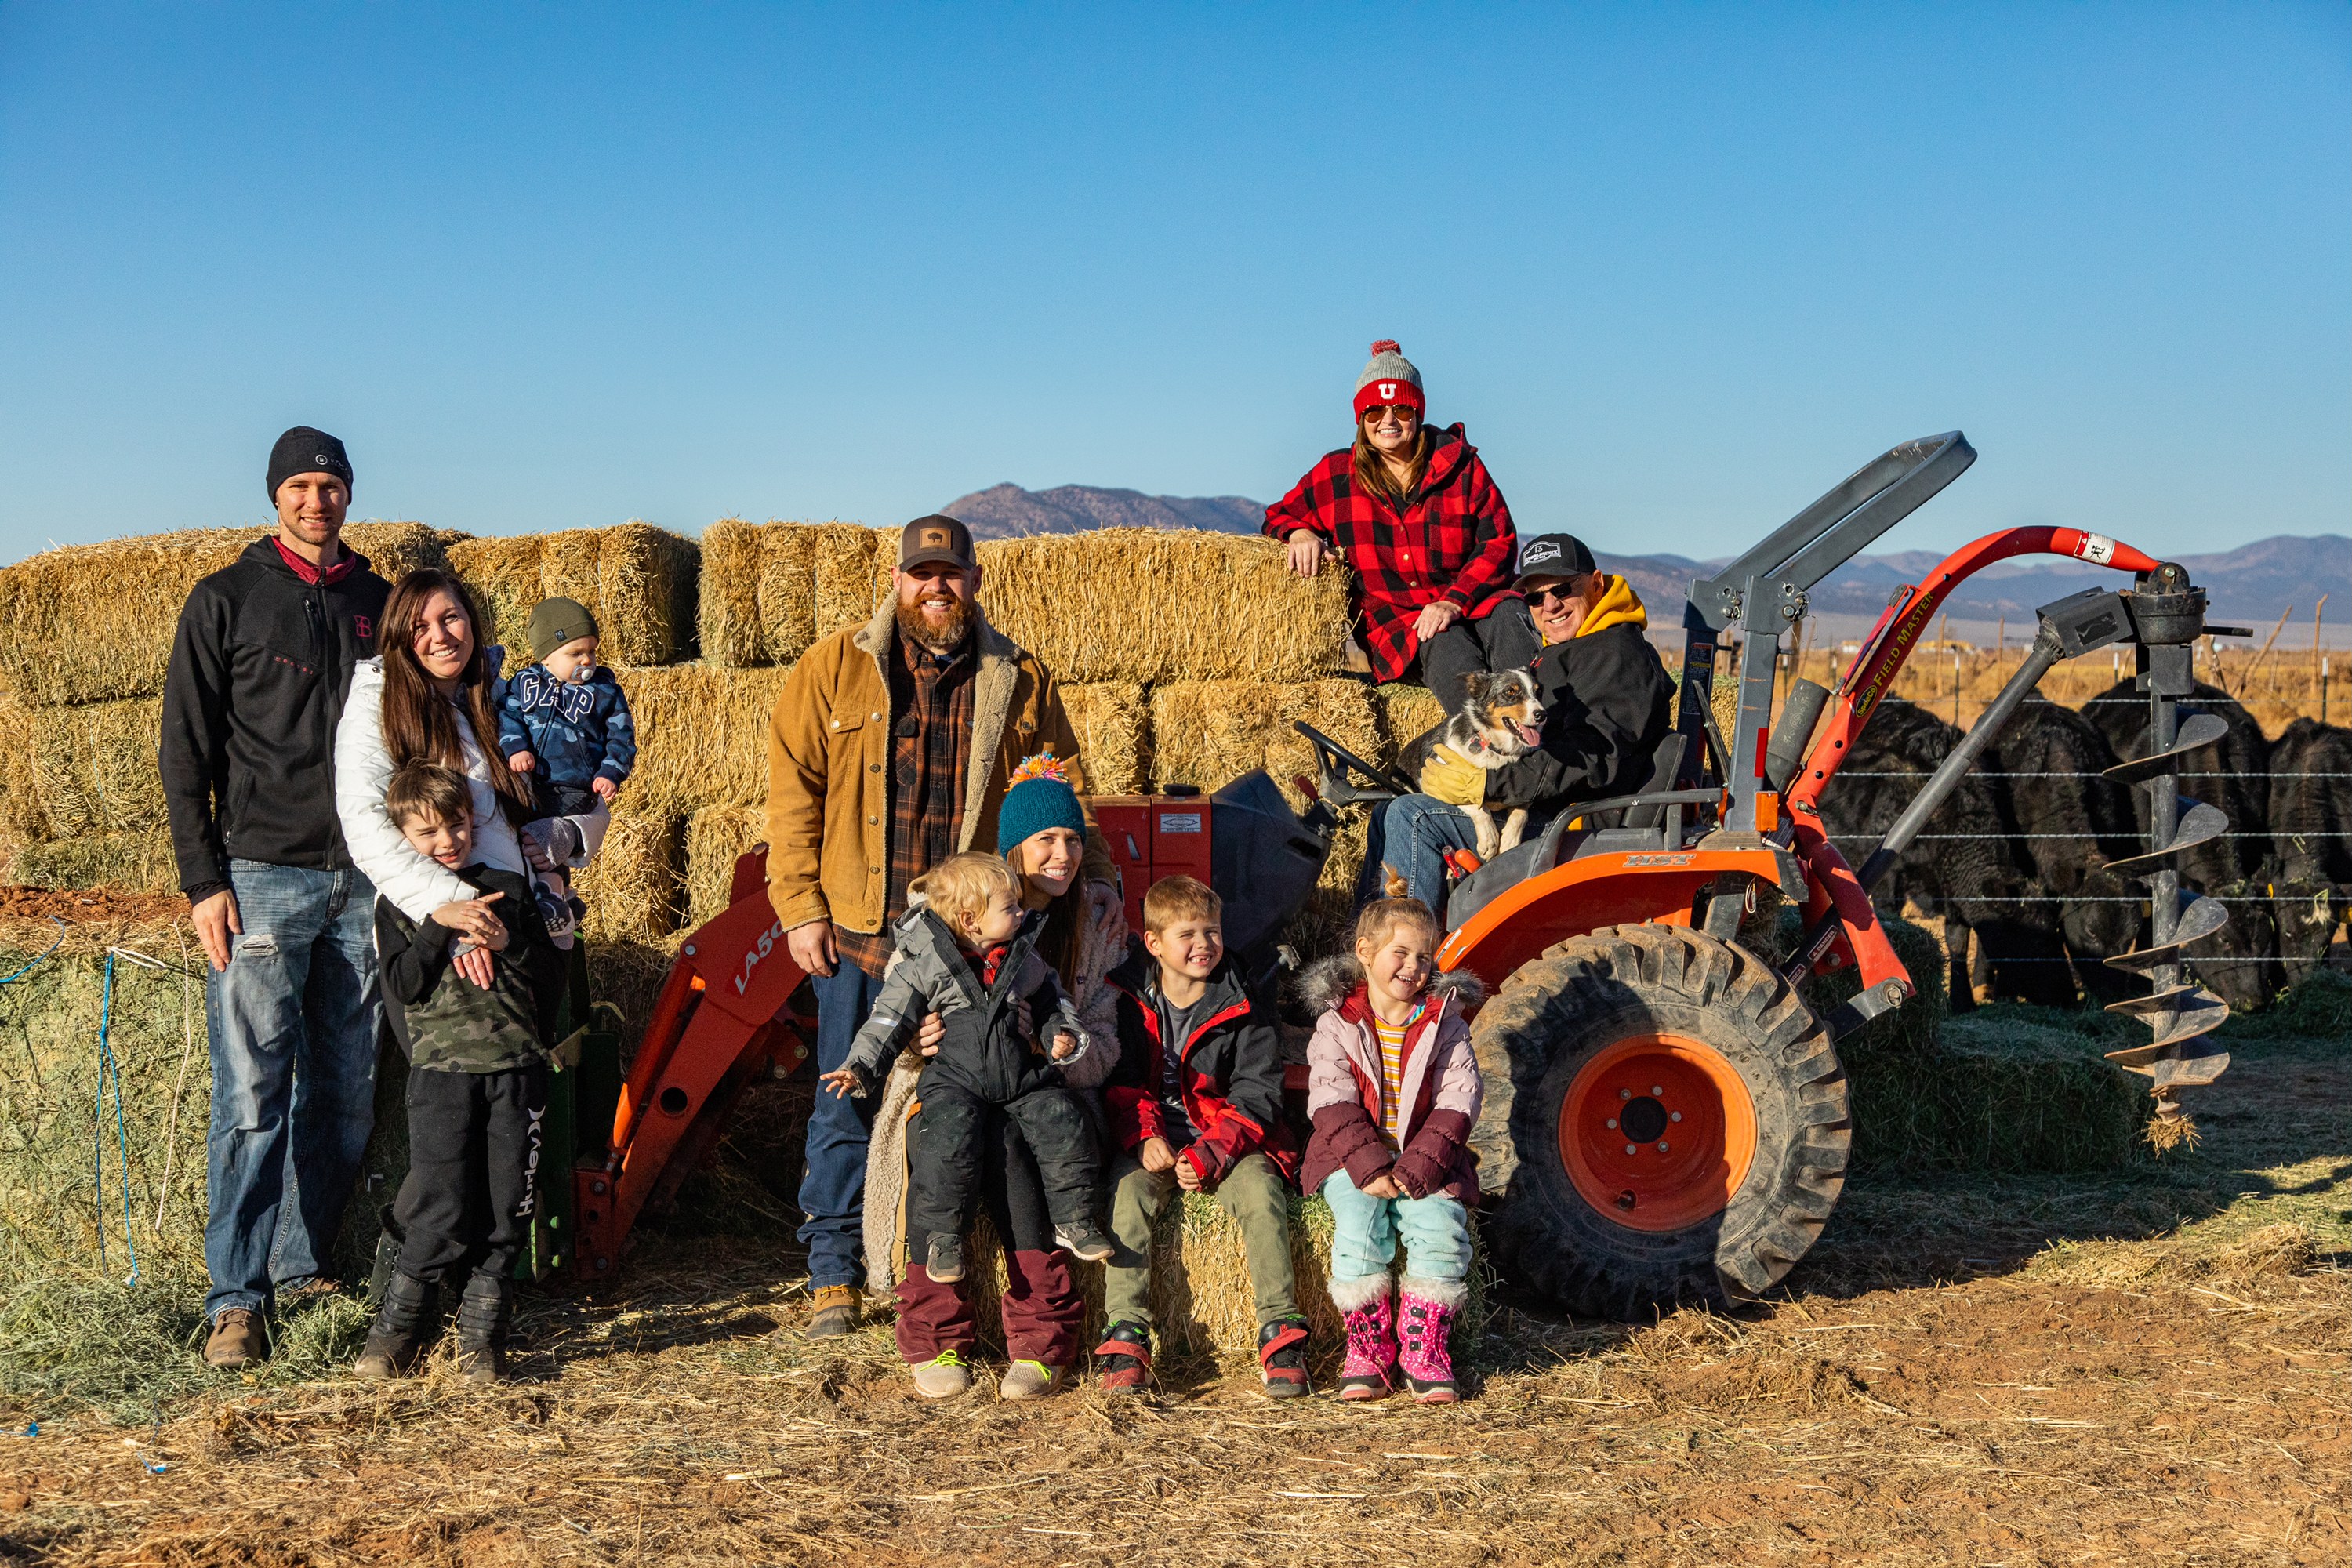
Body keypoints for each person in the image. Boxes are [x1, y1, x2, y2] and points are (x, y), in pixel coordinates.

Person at [764, 514, 1110, 1340]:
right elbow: (792, 795)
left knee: (963, 1100)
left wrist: (1091, 882)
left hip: (968, 940)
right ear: (896, 580)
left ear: (974, 580)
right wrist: (801, 908)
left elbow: (1062, 788)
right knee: (848, 1091)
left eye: (950, 573)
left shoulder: (1019, 677)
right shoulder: (833, 668)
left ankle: (945, 1269)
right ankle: (833, 1270)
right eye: (922, 574)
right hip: (862, 929)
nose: (936, 587)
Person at [161, 426, 394, 1369]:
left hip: (365, 879)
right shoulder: (227, 598)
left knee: (345, 1093)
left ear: (349, 495)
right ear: (275, 496)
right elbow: (185, 748)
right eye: (299, 485)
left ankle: (302, 1266)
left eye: (329, 485)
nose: (315, 500)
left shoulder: (380, 604)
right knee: (253, 1093)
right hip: (262, 874)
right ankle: (236, 1298)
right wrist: (203, 880)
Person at [862, 753, 1127, 1402]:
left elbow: (1104, 1039)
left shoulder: (1094, 921)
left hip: (1044, 1094)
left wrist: (1056, 1046)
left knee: (1016, 1148)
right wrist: (918, 1042)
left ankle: (1041, 1340)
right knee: (936, 1144)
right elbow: (898, 1011)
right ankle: (934, 1336)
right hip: (948, 1086)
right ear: (1013, 851)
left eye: (1073, 840)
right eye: (1045, 841)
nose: (1063, 855)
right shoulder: (944, 918)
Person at [354, 763, 563, 1386]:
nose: (447, 841)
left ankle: (482, 1343)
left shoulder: (508, 888)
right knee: (440, 1204)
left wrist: (507, 946)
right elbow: (402, 986)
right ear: (401, 837)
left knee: (508, 1209)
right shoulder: (400, 902)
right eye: (427, 833)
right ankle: (393, 1338)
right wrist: (436, 926)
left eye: (458, 825)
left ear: (475, 823)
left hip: (516, 1071)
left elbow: (549, 976)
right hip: (443, 1075)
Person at [819, 850, 1111, 1287]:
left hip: (1021, 1078)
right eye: (1010, 907)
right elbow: (888, 1021)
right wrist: (858, 1067)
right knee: (946, 1140)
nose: (1021, 913)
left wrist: (1059, 1033)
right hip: (955, 1079)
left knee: (1063, 1118)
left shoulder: (1023, 957)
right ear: (971, 920)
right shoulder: (924, 965)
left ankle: (1075, 1219)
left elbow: (1054, 1000)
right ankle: (944, 1237)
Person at [1364, 532, 1677, 911]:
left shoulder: (1616, 655)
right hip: (1550, 807)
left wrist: (1489, 785)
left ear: (1596, 584)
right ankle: (1370, 936)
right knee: (1384, 812)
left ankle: (1405, 941)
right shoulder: (1573, 647)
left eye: (1562, 589)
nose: (1550, 606)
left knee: (1411, 816)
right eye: (1535, 598)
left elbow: (1590, 755)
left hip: (1578, 823)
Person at [1098, 875, 1309, 1399]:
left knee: (1261, 1193)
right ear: (1154, 943)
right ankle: (1126, 1332)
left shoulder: (1242, 998)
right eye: (1187, 934)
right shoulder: (1127, 997)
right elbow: (1121, 1082)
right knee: (1127, 1196)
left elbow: (1259, 1093)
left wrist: (1212, 1151)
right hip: (1157, 1138)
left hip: (1230, 1139)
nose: (1204, 944)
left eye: (1212, 931)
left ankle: (1280, 1329)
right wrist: (1144, 1136)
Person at [1265, 340, 1536, 711]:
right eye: (1375, 410)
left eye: (1402, 410)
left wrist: (1453, 601)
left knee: (1509, 616)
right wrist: (1299, 533)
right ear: (1361, 417)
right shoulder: (1336, 474)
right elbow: (1279, 515)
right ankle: (1484, 738)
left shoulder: (1461, 467)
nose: (1388, 420)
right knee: (1444, 638)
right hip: (1402, 626)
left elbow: (1498, 541)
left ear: (1418, 413)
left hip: (1472, 601)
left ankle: (1545, 727)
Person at [1299, 898, 1484, 1403]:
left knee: (1440, 1228)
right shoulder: (1337, 1024)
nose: (1413, 967)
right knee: (1359, 1225)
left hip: (1427, 1158)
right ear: (1365, 951)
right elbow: (1331, 1100)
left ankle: (1424, 1349)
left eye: (1424, 957)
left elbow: (1459, 1100)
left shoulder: (1446, 1024)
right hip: (1349, 1157)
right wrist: (1368, 1166)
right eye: (1400, 953)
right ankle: (1368, 1348)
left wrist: (1418, 1167)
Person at [494, 596, 637, 942]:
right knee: (523, 836)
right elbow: (507, 716)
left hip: (575, 785)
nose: (587, 660)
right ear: (546, 656)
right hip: (530, 782)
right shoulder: (524, 684)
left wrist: (610, 772)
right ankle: (561, 897)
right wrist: (516, 747)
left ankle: (552, 895)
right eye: (575, 653)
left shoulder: (604, 691)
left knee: (548, 837)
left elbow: (622, 736)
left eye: (592, 651)